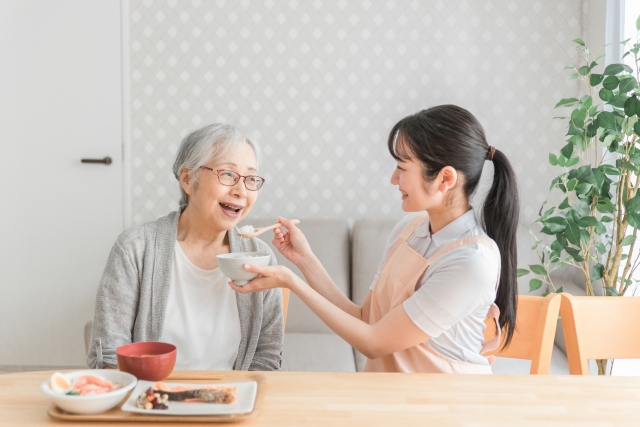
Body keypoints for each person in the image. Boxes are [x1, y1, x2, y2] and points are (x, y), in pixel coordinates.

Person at [232, 105, 519, 373]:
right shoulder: (409, 229)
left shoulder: (471, 262)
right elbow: (366, 320)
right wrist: (303, 260)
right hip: (389, 396)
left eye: (403, 168)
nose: (394, 179)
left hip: (444, 406)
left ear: (445, 179)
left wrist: (290, 281)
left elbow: (373, 343)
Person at [87, 123, 283, 371]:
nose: (241, 191)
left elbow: (266, 358)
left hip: (234, 403)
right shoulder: (135, 249)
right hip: (150, 402)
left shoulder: (260, 257)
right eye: (227, 175)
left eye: (251, 179)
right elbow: (110, 356)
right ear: (188, 179)